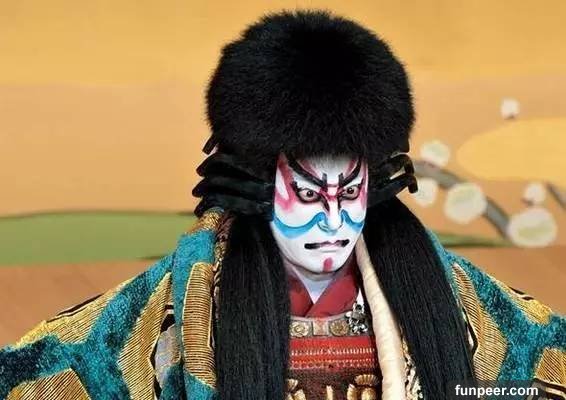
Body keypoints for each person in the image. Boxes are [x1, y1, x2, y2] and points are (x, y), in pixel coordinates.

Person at [1, 10, 564, 400]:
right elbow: (61, 368)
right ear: (254, 183)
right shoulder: (189, 294)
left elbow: (528, 369)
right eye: (309, 194)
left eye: (349, 192)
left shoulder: (447, 291)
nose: (334, 220)